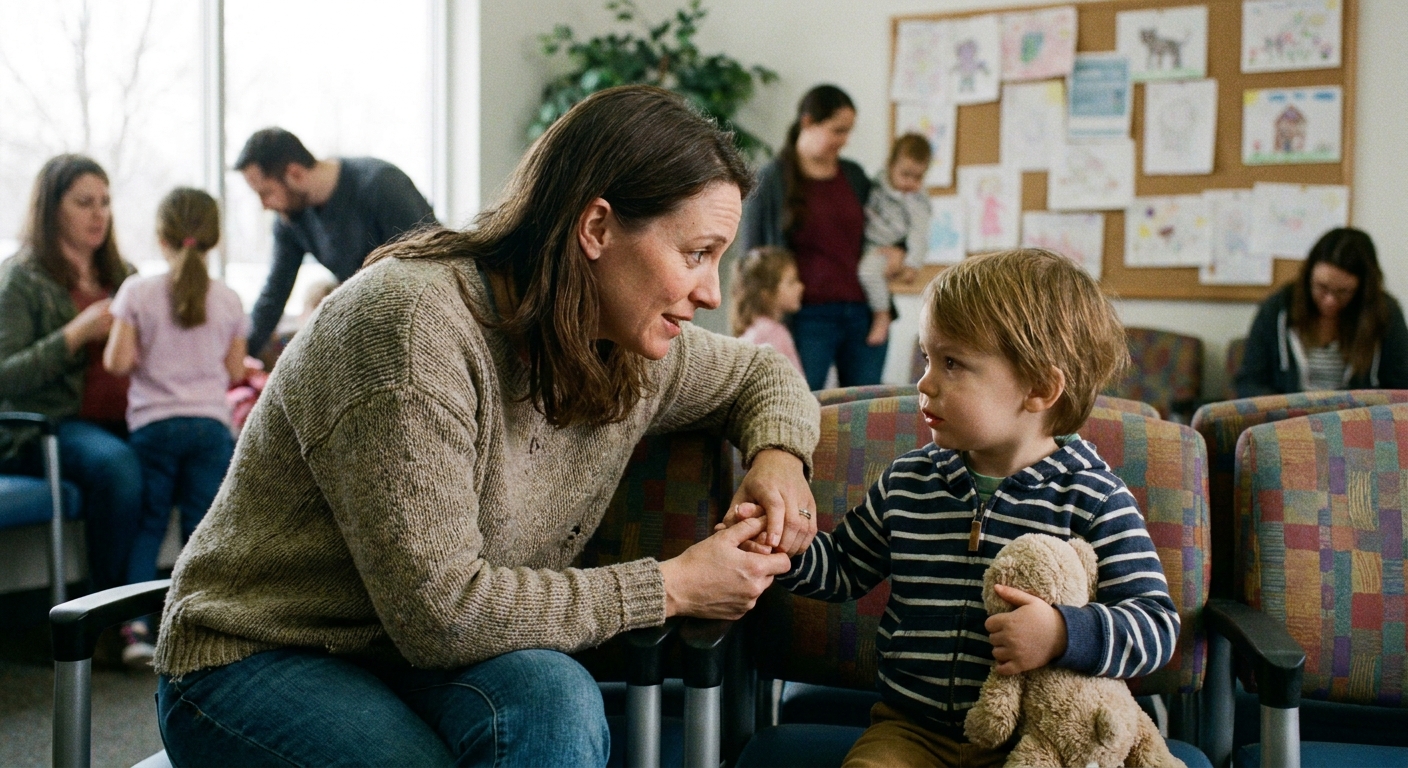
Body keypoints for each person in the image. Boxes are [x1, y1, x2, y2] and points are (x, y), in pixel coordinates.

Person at [152, 85, 821, 766]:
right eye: (697, 253)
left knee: (558, 698)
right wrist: (674, 585)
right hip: (260, 653)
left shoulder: (628, 344)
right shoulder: (409, 329)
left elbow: (761, 373)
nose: (711, 292)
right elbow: (444, 613)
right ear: (596, 229)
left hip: (420, 655)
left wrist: (778, 458)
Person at [725, 249, 1179, 766]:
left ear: (1039, 388)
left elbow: (1155, 625)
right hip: (910, 730)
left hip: (1030, 742)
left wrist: (1061, 634)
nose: (925, 381)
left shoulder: (1095, 497)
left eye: (953, 363)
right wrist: (783, 542)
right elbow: (844, 568)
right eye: (927, 357)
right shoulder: (910, 481)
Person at [102, 188, 248, 669]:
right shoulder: (227, 298)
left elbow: (118, 360)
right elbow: (231, 373)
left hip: (153, 428)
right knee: (201, 529)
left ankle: (137, 630)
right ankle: (199, 631)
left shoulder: (136, 292)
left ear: (161, 236)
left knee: (148, 526)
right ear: (213, 237)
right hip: (209, 428)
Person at [0, 155, 143, 605]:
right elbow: (6, 376)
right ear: (51, 209)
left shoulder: (126, 277)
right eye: (85, 202)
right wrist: (75, 334)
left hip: (132, 412)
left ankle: (176, 612)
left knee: (198, 449)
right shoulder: (20, 279)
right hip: (53, 424)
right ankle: (104, 616)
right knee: (118, 469)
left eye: (105, 201)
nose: (99, 213)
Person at [235, 127, 437, 356]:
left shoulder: (381, 186)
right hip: (371, 329)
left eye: (266, 192)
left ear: (295, 174)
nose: (264, 205)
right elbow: (275, 292)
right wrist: (242, 356)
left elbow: (430, 269)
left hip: (421, 324)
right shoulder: (290, 219)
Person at [740, 85, 883, 390]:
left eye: (848, 132)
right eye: (837, 130)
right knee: (801, 404)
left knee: (867, 414)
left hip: (863, 314)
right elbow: (751, 260)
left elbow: (886, 224)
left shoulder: (854, 175)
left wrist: (899, 250)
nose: (843, 140)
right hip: (805, 319)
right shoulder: (770, 181)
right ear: (807, 122)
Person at [1236, 227, 1408, 397]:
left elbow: (1401, 386)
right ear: (1308, 276)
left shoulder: (1385, 313)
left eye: (1343, 291)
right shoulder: (1277, 309)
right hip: (1285, 420)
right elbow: (1249, 381)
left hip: (1357, 420)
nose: (1330, 300)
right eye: (1321, 287)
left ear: (1363, 290)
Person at [859, 133, 931, 346]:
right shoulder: (875, 185)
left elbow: (919, 233)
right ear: (889, 165)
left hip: (886, 249)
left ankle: (882, 314)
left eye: (918, 177)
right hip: (868, 243)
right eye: (905, 174)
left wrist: (912, 264)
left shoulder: (915, 201)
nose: (910, 182)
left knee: (868, 271)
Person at [732, 246, 805, 375]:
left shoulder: (752, 331)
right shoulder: (775, 334)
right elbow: (796, 386)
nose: (800, 287)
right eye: (791, 282)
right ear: (767, 294)